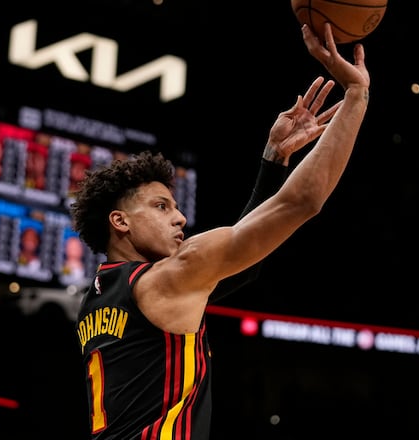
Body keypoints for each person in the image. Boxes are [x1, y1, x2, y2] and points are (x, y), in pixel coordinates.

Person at [70, 23, 370, 440]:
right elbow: (302, 202)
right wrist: (356, 94)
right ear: (120, 222)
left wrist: (273, 160)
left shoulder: (98, 298)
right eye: (161, 206)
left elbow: (243, 266)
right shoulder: (167, 280)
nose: (180, 219)